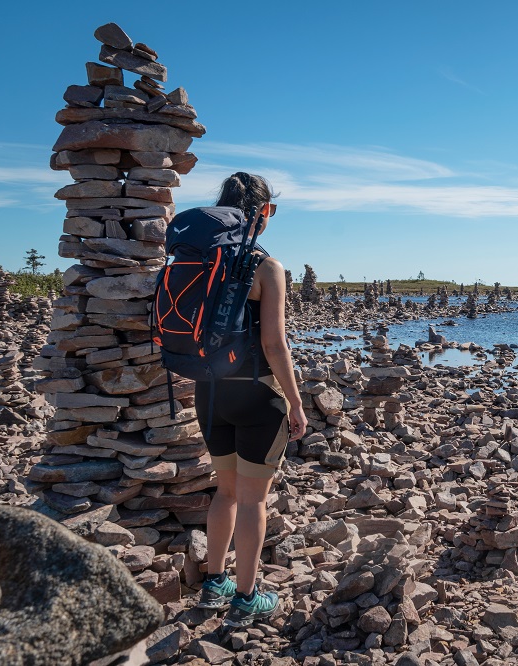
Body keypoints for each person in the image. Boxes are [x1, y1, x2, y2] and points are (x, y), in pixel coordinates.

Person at [191, 173, 305, 627]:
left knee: (226, 491)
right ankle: (246, 597)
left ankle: (213, 582)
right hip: (257, 393)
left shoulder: (199, 258)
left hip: (210, 390)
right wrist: (295, 403)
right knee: (254, 500)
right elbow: (275, 345)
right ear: (265, 212)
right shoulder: (266, 266)